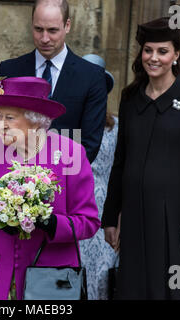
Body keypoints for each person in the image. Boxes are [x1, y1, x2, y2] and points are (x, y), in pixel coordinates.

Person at [0, 76, 100, 300]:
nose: (0, 124)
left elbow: (88, 222)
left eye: (10, 118)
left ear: (35, 120)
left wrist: (50, 223)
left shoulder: (71, 153)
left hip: (51, 277)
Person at [102, 17, 180, 299]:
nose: (154, 58)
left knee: (176, 290)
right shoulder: (130, 98)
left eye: (162, 51)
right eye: (148, 50)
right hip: (136, 216)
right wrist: (110, 217)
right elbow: (120, 160)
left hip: (177, 221)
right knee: (135, 289)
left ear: (176, 54)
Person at [0, 0, 107, 163]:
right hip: (10, 175)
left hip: (65, 177)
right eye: (38, 29)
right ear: (31, 24)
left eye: (52, 30)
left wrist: (50, 179)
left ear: (67, 25)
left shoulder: (92, 76)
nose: (44, 38)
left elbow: (90, 143)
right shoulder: (9, 70)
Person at [79, 54, 118, 300]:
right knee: (72, 276)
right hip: (73, 208)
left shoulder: (116, 127)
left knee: (104, 275)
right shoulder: (64, 125)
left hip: (105, 212)